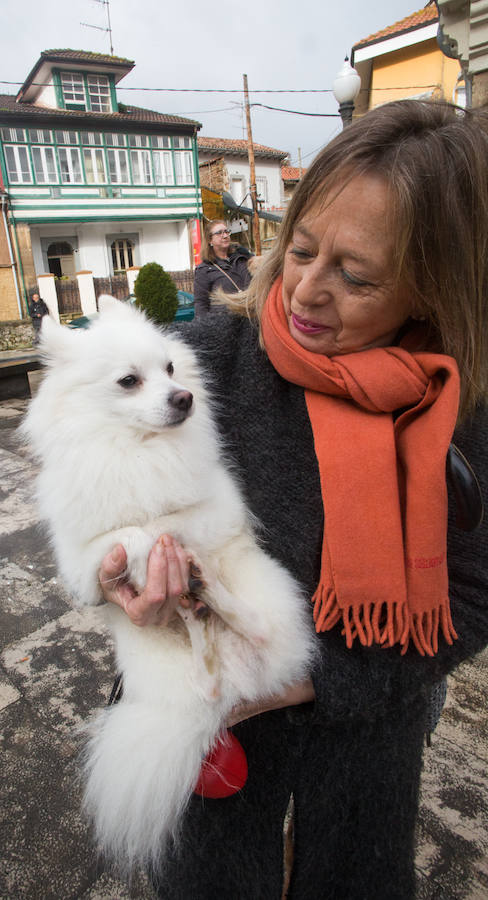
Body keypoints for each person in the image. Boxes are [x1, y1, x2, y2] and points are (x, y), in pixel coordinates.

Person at [97, 100, 488, 900]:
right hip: (204, 741)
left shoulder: (458, 408)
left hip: (368, 745)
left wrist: (308, 676)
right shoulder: (201, 365)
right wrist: (120, 574)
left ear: (430, 289)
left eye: (355, 275)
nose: (306, 290)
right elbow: (98, 494)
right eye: (301, 248)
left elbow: (475, 594)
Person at [193, 220, 253, 316]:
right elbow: (201, 304)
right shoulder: (204, 270)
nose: (225, 236)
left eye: (226, 232)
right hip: (224, 325)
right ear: (210, 240)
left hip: (250, 319)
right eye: (219, 233)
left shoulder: (242, 258)